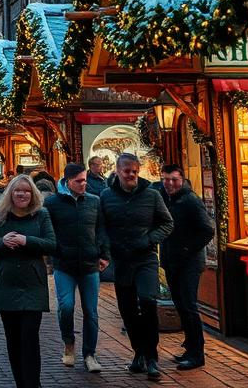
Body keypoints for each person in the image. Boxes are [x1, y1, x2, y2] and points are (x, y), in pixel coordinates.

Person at [98, 152, 172, 382]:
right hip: (122, 261)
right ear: (118, 171)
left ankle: (152, 356)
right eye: (127, 171)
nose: (131, 175)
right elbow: (102, 227)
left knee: (148, 301)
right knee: (127, 308)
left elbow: (167, 222)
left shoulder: (151, 195)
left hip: (146, 258)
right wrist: (106, 250)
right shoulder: (106, 196)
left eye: (134, 171)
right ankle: (138, 352)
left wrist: (150, 239)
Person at [0, 174, 57, 388]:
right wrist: (2, 242)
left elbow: (51, 244)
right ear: (10, 194)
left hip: (33, 286)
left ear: (32, 193)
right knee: (14, 341)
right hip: (7, 286)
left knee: (29, 339)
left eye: (26, 190)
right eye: (17, 190)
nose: (22, 194)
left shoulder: (41, 215)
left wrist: (27, 241)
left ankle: (33, 384)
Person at [43, 163, 109, 374]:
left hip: (90, 264)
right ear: (67, 181)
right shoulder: (52, 203)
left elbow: (101, 230)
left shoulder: (94, 201)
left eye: (85, 180)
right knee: (66, 305)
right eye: (79, 181)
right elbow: (48, 232)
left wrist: (104, 255)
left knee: (91, 311)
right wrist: (52, 256)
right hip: (64, 263)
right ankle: (68, 342)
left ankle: (90, 353)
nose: (84, 184)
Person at [159, 163, 216, 370]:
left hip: (189, 262)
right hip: (171, 260)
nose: (169, 183)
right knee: (181, 305)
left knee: (189, 306)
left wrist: (186, 249)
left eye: (173, 179)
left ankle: (197, 353)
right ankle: (190, 347)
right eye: (165, 179)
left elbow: (207, 230)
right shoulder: (164, 197)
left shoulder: (191, 200)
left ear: (181, 180)